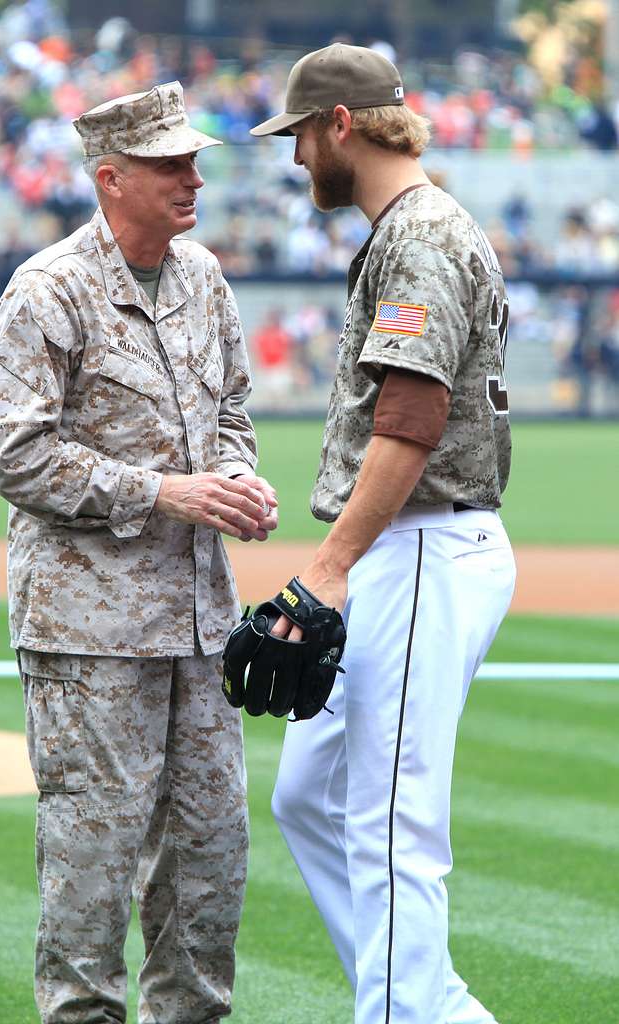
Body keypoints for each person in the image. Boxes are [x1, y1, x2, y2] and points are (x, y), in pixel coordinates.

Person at [0, 81, 277, 1024]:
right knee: (92, 867)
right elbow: (11, 450)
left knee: (209, 859)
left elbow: (231, 406)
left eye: (193, 161)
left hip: (197, 622)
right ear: (111, 179)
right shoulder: (50, 288)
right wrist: (161, 491)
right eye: (169, 165)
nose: (193, 178)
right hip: (90, 629)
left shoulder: (204, 277)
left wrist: (232, 475)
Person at [250, 44, 516, 1024]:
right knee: (310, 798)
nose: (295, 161)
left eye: (300, 137)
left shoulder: (420, 237)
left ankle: (404, 1013)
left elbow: (411, 420)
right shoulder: (412, 227)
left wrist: (329, 566)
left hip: (423, 547)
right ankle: (433, 1006)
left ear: (341, 126)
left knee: (392, 823)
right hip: (408, 547)